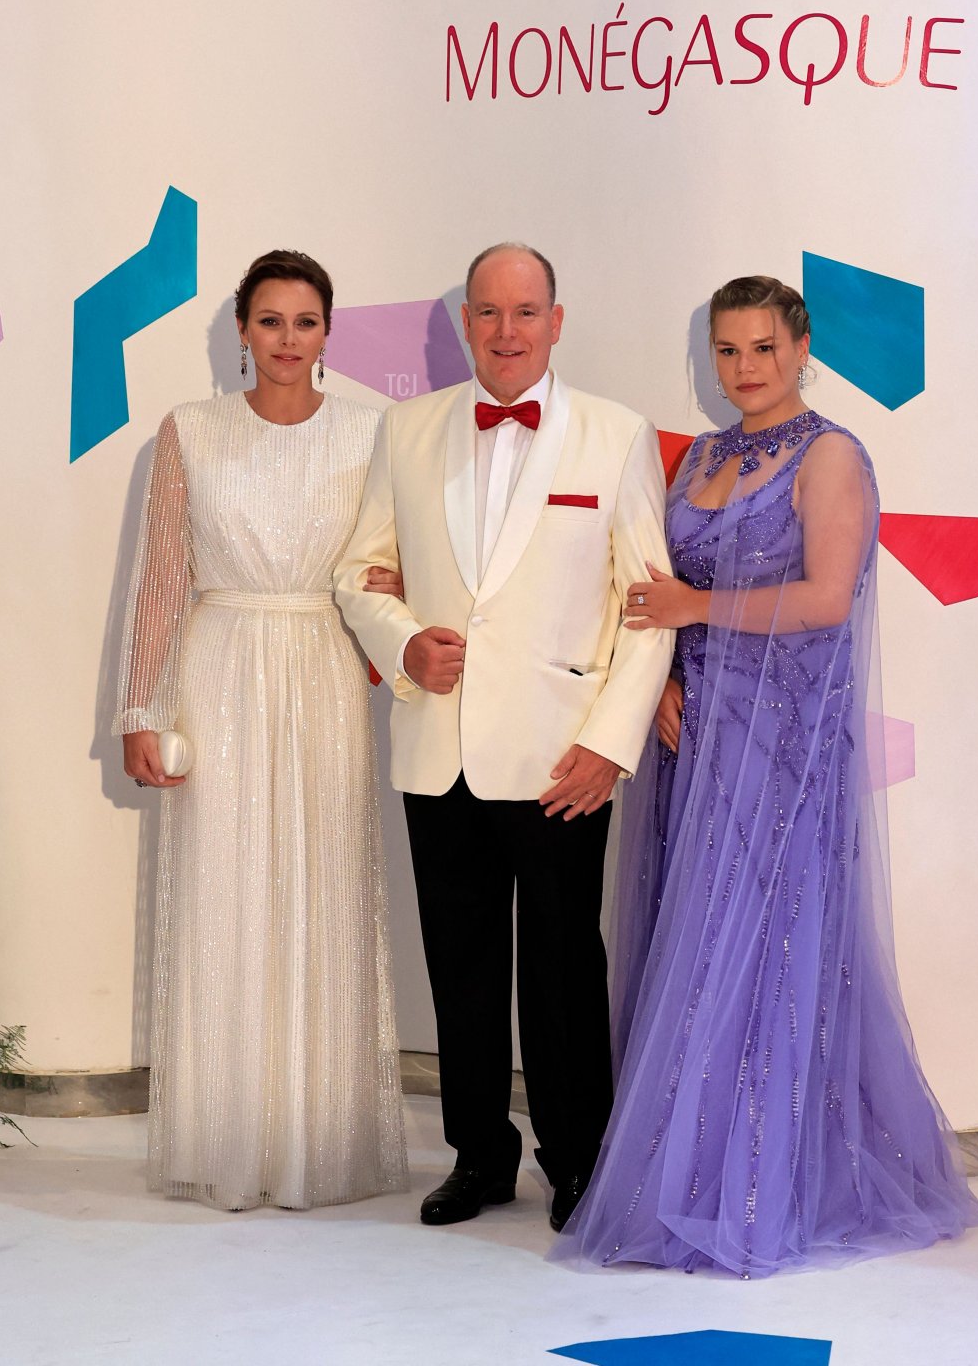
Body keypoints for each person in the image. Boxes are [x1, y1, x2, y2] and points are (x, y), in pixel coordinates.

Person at [554, 275, 978, 1276]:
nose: (744, 369)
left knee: (759, 952)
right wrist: (657, 683)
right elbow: (651, 592)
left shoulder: (831, 455)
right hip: (692, 736)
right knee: (690, 945)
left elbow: (828, 599)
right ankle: (683, 1170)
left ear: (802, 351)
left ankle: (755, 1183)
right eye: (728, 351)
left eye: (763, 349)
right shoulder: (702, 454)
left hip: (781, 745)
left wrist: (693, 617)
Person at [334, 244, 674, 1231]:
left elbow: (646, 607)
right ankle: (479, 1154)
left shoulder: (616, 435)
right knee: (461, 963)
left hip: (563, 754)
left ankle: (579, 1159)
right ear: (466, 325)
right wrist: (404, 648)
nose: (507, 331)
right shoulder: (407, 430)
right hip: (439, 746)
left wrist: (611, 742)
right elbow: (360, 574)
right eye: (489, 312)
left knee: (566, 967)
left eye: (526, 312)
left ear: (556, 322)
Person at [114, 249, 408, 1211]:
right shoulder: (188, 432)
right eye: (270, 321)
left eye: (306, 322)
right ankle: (229, 1134)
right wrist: (138, 709)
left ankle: (316, 1138)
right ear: (241, 330)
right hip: (219, 670)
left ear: (330, 333)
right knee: (224, 890)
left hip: (321, 671)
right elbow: (161, 579)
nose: (288, 340)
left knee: (319, 885)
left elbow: (388, 571)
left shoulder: (372, 435)